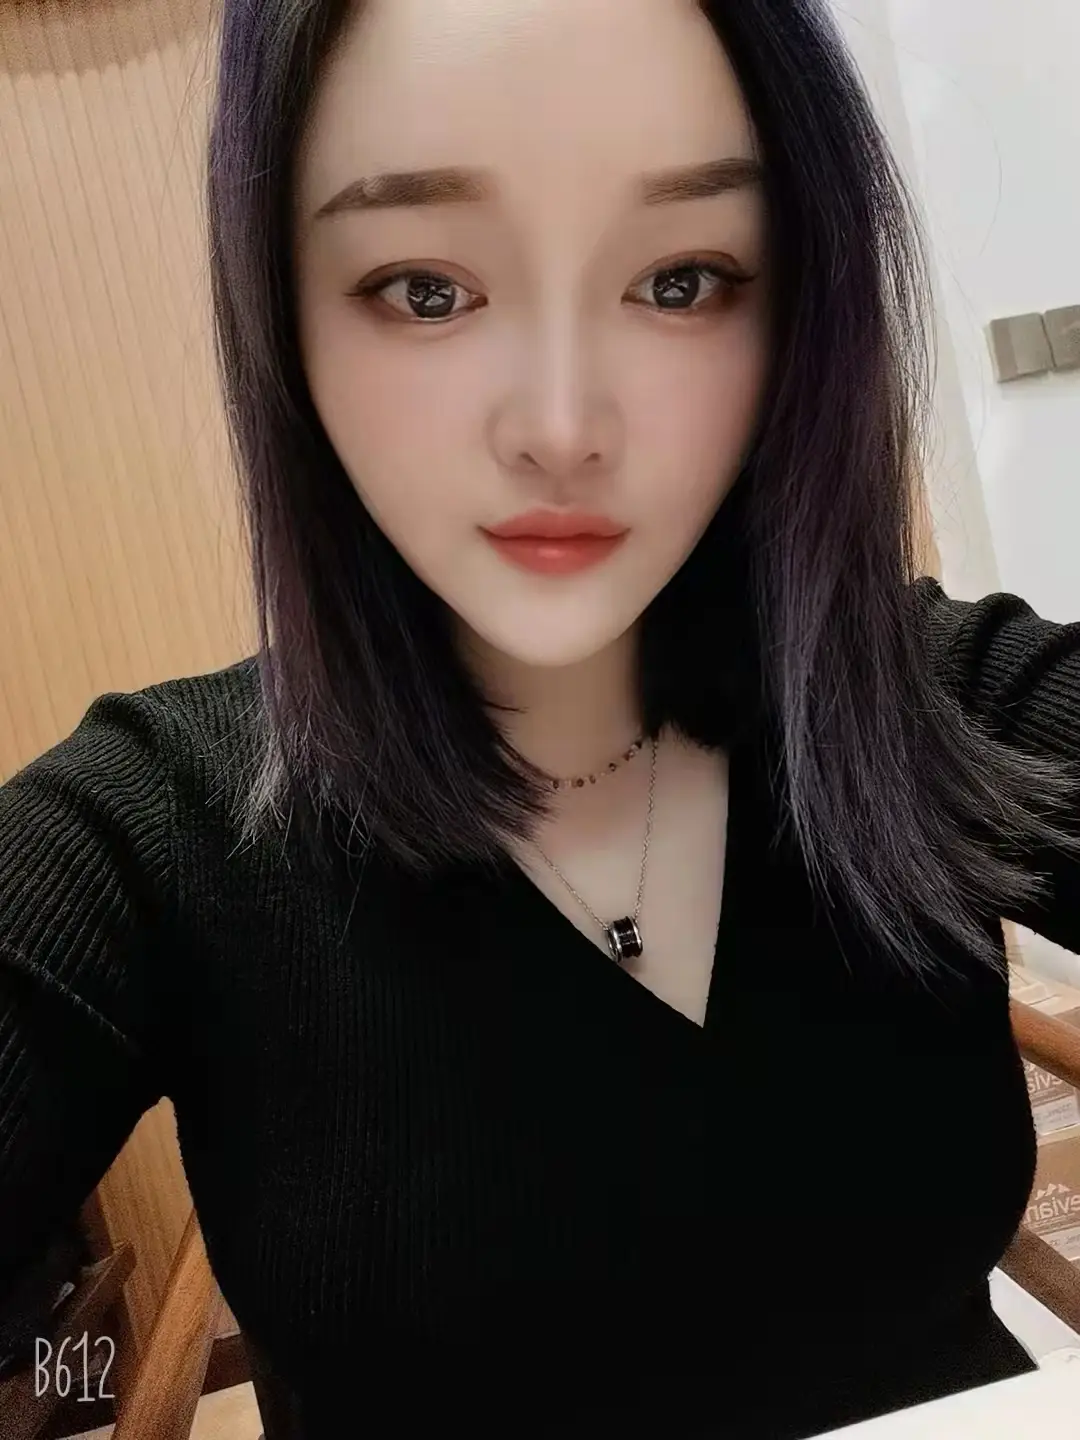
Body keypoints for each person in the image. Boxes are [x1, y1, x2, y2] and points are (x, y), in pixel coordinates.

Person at [2, 0, 1079, 1435]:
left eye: (682, 280)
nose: (563, 427)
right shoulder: (145, 834)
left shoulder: (923, 695)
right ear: (285, 313)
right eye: (425, 290)